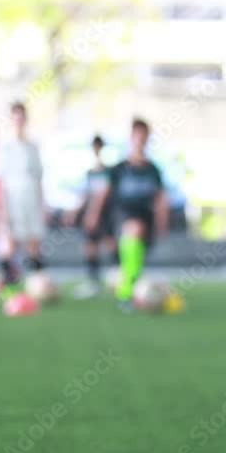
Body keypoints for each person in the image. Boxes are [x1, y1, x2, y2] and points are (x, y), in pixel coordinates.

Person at [85, 118, 168, 312]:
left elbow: (160, 197)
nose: (140, 140)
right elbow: (104, 193)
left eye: (144, 137)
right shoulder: (119, 169)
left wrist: (162, 221)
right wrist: (94, 214)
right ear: (131, 138)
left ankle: (131, 286)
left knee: (135, 255)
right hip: (123, 214)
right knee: (134, 230)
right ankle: (125, 292)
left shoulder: (152, 170)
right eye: (137, 136)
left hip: (145, 215)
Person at [0, 102, 46, 290]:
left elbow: (39, 178)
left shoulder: (33, 146)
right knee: (10, 243)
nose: (19, 120)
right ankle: (6, 286)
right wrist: (1, 211)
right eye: (16, 116)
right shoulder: (4, 147)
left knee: (34, 242)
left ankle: (35, 285)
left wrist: (43, 206)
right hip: (12, 201)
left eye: (22, 116)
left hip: (31, 201)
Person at [64, 134, 118, 299]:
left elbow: (105, 194)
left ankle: (122, 277)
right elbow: (86, 194)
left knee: (111, 244)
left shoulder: (109, 172)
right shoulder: (90, 173)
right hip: (90, 215)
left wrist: (94, 213)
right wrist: (74, 211)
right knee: (90, 245)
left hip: (106, 214)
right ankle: (94, 282)